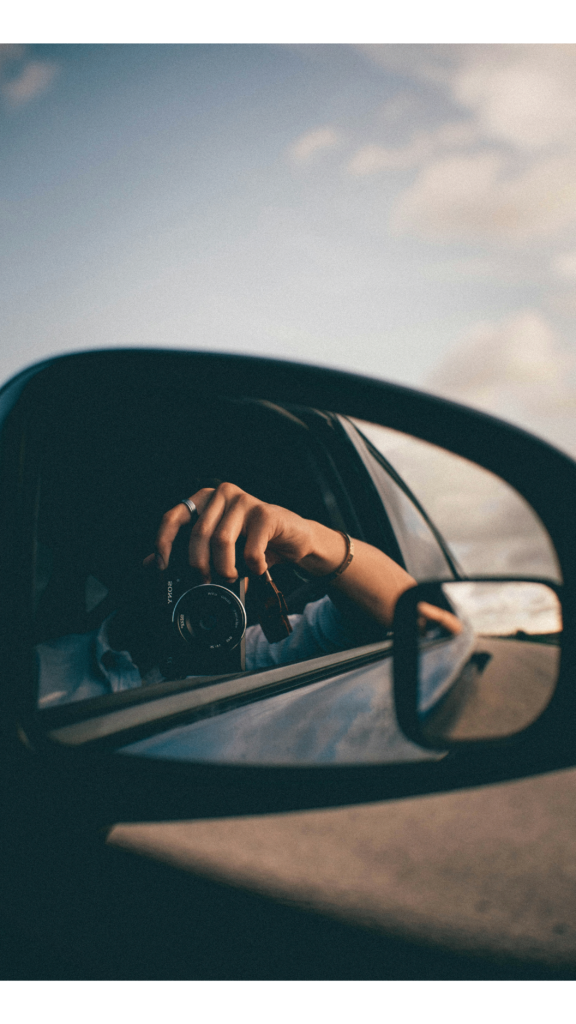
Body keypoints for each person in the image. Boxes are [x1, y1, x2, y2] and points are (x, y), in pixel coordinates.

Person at [36, 482, 460, 708]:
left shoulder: (244, 659)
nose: (198, 588)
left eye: (220, 569)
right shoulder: (35, 671)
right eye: (180, 562)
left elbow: (412, 615)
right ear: (135, 566)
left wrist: (311, 541)